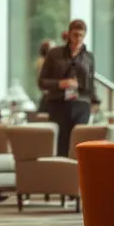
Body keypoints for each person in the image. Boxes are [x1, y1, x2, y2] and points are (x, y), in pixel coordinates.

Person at [39, 19, 99, 157]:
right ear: (69, 34)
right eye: (75, 35)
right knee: (61, 143)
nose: (78, 39)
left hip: (81, 104)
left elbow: (91, 82)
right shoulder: (55, 54)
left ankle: (78, 175)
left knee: (79, 142)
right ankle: (60, 174)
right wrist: (60, 84)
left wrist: (95, 101)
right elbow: (42, 82)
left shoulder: (88, 57)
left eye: (81, 35)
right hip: (59, 104)